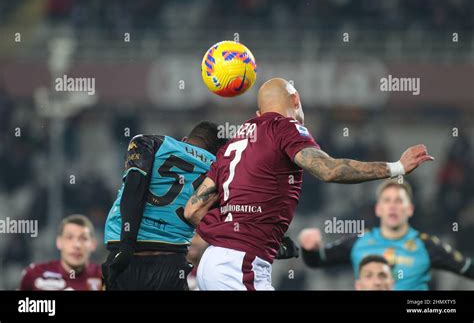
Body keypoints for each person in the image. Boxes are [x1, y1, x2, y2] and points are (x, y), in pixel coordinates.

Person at [184, 77, 433, 290]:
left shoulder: (232, 144)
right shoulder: (285, 126)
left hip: (210, 264)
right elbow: (329, 170)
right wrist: (396, 168)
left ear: (259, 114)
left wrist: (235, 229)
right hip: (240, 264)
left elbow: (192, 210)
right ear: (296, 100)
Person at [102, 121, 227, 290]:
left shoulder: (147, 142)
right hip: (172, 261)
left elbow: (134, 189)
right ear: (218, 153)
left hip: (127, 254)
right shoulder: (218, 169)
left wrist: (126, 245)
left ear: (183, 140)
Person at [299, 179, 474, 290]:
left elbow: (467, 268)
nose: (392, 206)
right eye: (387, 200)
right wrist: (308, 248)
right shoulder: (359, 242)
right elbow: (317, 261)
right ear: (378, 209)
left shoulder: (427, 246)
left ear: (410, 209)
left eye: (399, 201)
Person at [20, 215, 101, 291]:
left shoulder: (107, 277)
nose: (77, 245)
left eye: (83, 238)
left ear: (93, 244)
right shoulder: (34, 275)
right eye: (69, 237)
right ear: (59, 242)